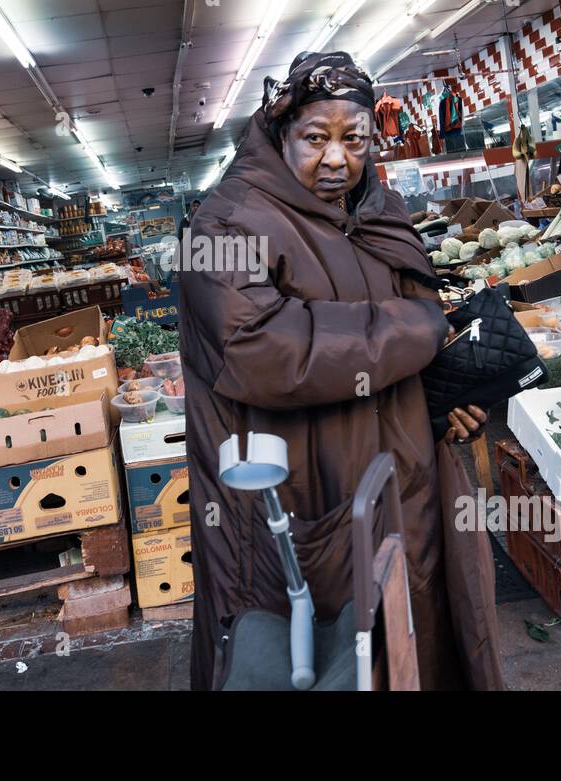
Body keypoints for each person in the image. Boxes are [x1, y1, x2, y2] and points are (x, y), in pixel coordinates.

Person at [179, 51, 504, 691]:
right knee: (315, 658)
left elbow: (399, 347)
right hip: (303, 495)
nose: (336, 159)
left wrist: (440, 403)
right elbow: (260, 349)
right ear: (280, 134)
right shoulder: (226, 222)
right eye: (315, 139)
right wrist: (416, 329)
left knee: (415, 647)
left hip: (404, 480)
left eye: (353, 139)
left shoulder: (378, 210)